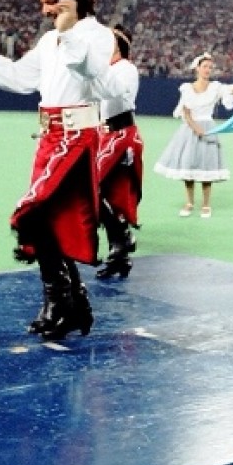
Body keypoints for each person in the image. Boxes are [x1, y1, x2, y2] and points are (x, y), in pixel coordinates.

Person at [0, 0, 117, 341]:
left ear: (69, 0)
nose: (44, 10)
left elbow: (92, 71)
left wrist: (69, 33)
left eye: (49, 2)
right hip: (49, 139)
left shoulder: (98, 36)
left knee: (31, 214)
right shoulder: (49, 41)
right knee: (50, 221)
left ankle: (61, 301)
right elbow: (17, 77)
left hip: (76, 138)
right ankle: (70, 303)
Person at [153, 52, 233, 218]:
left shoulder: (216, 87)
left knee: (207, 167)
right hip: (190, 130)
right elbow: (186, 112)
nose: (208, 69)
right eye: (205, 66)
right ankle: (189, 203)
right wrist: (195, 127)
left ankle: (206, 205)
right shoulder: (186, 88)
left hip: (209, 129)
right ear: (197, 69)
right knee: (188, 167)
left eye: (210, 67)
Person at [95, 24, 143, 280]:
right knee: (109, 193)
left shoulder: (125, 68)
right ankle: (119, 252)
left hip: (120, 134)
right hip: (107, 135)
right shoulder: (112, 70)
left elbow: (115, 92)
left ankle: (121, 240)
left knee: (91, 186)